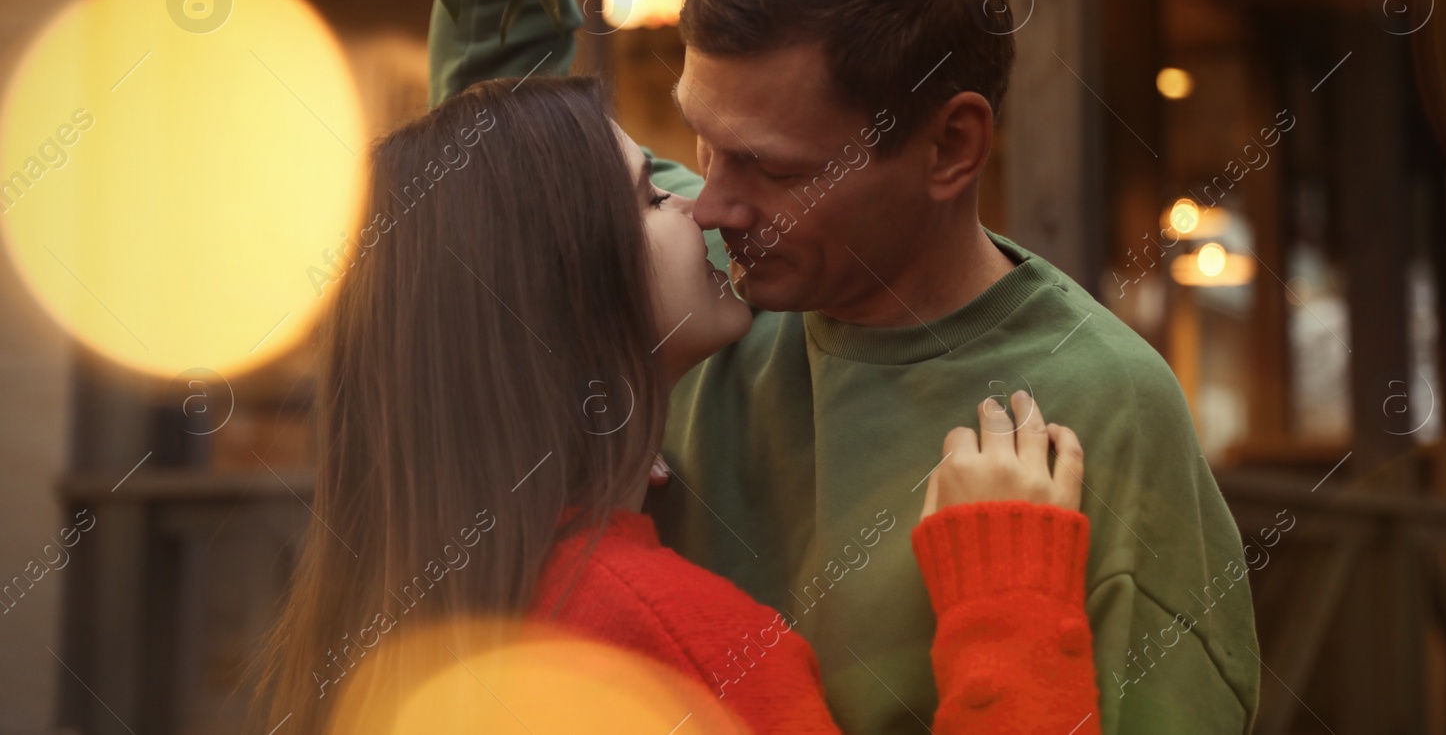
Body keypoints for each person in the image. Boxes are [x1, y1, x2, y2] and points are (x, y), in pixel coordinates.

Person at [430, 0, 1261, 732]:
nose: (708, 203)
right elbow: (501, 146)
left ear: (951, 146)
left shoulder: (1106, 406)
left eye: (776, 167)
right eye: (701, 142)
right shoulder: (685, 267)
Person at [256, 76, 1101, 734]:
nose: (697, 203)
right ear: (570, 283)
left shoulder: (405, 612)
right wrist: (1011, 603)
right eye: (650, 197)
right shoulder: (669, 635)